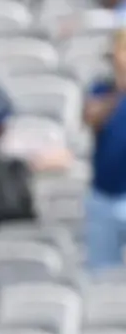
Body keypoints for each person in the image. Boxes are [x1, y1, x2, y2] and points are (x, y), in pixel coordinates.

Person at [83, 29, 126, 272]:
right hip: (104, 197)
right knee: (101, 275)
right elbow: (91, 117)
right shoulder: (102, 88)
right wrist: (119, 90)